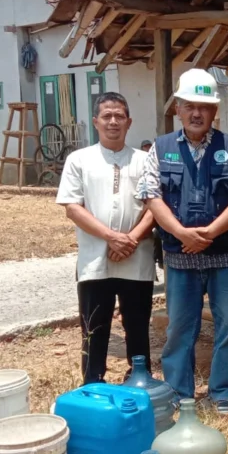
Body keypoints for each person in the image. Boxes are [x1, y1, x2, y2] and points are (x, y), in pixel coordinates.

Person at [139, 69, 228, 414]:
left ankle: (222, 392)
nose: (196, 113)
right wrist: (181, 233)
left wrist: (210, 233)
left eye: (204, 107)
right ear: (177, 108)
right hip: (180, 255)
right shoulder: (160, 149)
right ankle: (178, 392)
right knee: (180, 326)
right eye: (189, 105)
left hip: (226, 255)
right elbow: (150, 195)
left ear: (214, 111)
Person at [56, 92, 155, 384]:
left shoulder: (146, 160)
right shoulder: (79, 160)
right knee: (94, 326)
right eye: (107, 116)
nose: (113, 121)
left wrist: (131, 240)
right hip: (94, 261)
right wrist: (112, 237)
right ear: (96, 122)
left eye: (119, 116)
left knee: (137, 326)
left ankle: (140, 381)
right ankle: (92, 383)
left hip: (137, 259)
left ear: (129, 122)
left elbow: (155, 205)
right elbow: (73, 208)